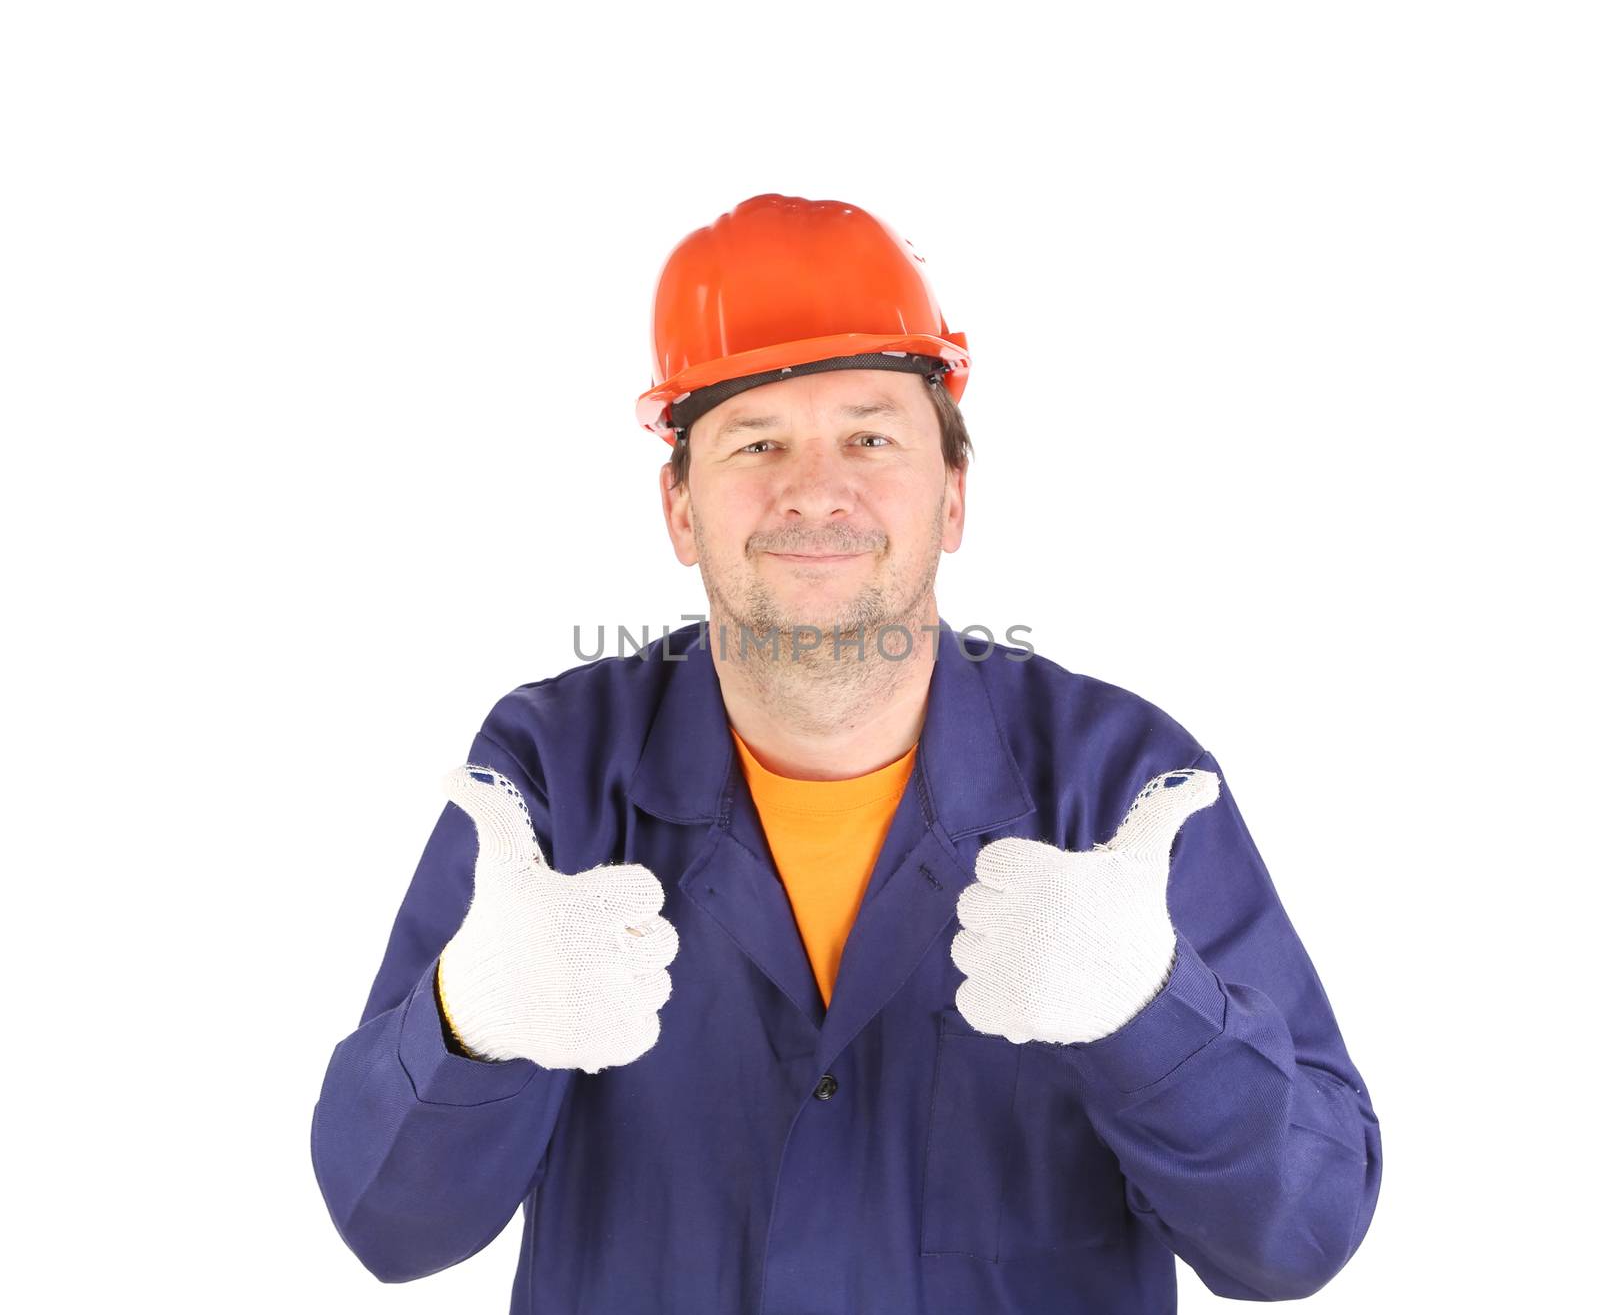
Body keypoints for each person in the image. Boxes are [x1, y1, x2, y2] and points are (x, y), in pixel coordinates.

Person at [310, 192, 1382, 1313]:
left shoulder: (1116, 785)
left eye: (869, 435)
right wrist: (468, 1023)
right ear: (678, 510)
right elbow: (391, 1226)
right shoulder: (553, 777)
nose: (814, 489)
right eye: (755, 441)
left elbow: (1296, 1238)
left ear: (953, 495)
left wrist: (1149, 1014)